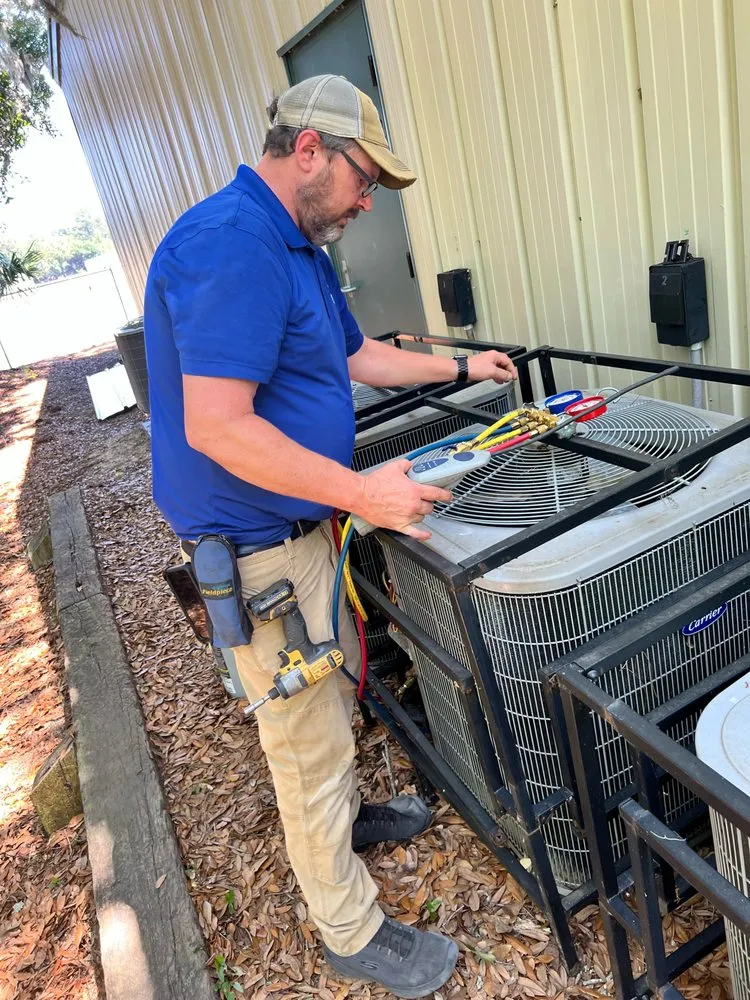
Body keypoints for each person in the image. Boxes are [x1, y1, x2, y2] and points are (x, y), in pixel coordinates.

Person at [144, 74, 517, 998]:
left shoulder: (298, 244)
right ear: (308, 149)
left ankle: (342, 823)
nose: (367, 202)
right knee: (303, 739)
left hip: (304, 527)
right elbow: (219, 428)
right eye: (363, 179)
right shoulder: (229, 246)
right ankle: (347, 927)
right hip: (258, 548)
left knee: (335, 694)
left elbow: (358, 356)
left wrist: (464, 363)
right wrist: (362, 494)